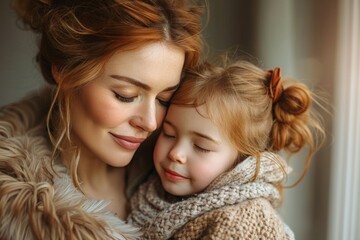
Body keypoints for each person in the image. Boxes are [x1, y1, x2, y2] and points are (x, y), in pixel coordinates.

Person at [0, 0, 203, 239]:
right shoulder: (13, 209)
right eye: (125, 95)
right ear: (66, 71)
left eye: (164, 99)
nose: (150, 123)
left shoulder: (196, 172)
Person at [127, 59, 325, 239]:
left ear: (242, 160)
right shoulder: (146, 188)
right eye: (169, 134)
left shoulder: (243, 223)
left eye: (201, 147)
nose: (175, 153)